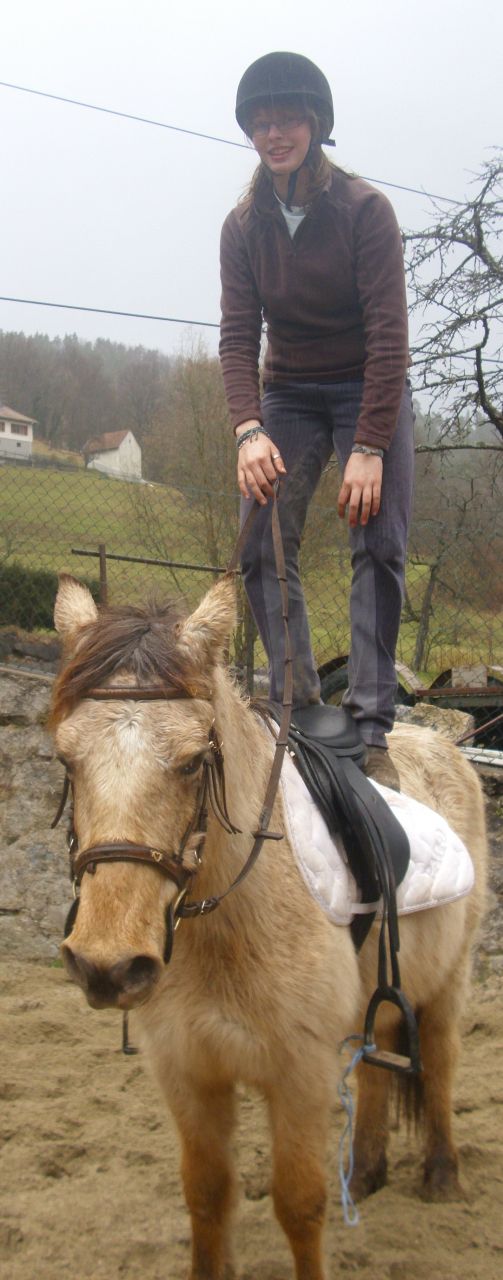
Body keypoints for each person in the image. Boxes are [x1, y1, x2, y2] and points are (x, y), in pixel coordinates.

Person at [219, 51, 414, 790]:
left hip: (370, 383)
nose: (274, 134)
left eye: (288, 119)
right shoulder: (244, 226)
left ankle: (370, 727)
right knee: (261, 540)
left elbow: (389, 335)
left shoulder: (364, 211)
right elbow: (238, 337)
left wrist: (370, 444)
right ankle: (296, 704)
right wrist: (248, 429)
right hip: (290, 392)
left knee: (378, 541)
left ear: (316, 125)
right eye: (261, 123)